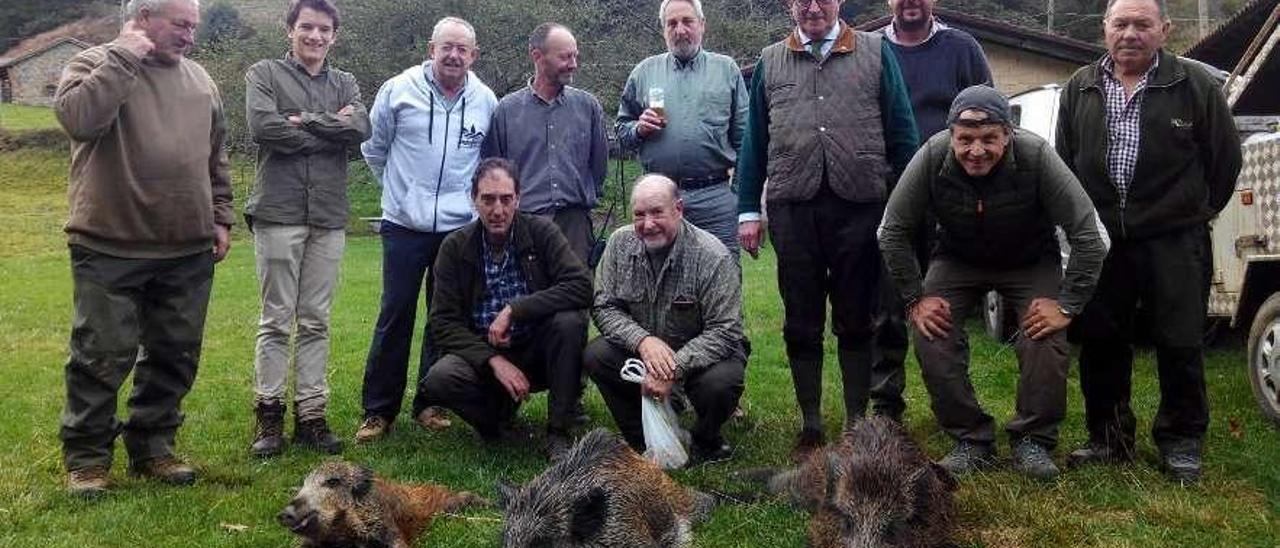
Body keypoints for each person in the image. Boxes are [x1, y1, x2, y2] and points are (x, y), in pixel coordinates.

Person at [878, 86, 1110, 480]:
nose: (976, 151)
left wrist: (1067, 305)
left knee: (1044, 335)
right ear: (951, 136)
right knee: (932, 333)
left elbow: (1092, 236)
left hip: (1029, 259)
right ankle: (971, 438)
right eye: (965, 140)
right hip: (957, 257)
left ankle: (1033, 439)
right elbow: (891, 231)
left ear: (1008, 134)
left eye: (989, 139)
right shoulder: (932, 155)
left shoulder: (1037, 156)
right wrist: (916, 298)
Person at [1056, 0, 1242, 483]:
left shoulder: (1195, 85)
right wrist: (1085, 226)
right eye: (1121, 24)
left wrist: (1193, 211)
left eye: (1143, 24)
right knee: (1101, 341)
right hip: (1101, 241)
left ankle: (1181, 443)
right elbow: (1065, 160)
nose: (1130, 34)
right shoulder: (1080, 87)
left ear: (1164, 30)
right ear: (1105, 30)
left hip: (1173, 239)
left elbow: (1224, 161)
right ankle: (1108, 439)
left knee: (1179, 340)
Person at [54, 0, 233, 496]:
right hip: (110, 241)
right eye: (180, 24)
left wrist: (221, 217)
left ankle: (153, 447)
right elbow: (79, 121)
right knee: (101, 354)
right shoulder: (94, 63)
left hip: (187, 246)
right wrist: (123, 56)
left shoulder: (200, 79)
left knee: (175, 354)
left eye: (193, 26)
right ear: (143, 16)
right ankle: (87, 459)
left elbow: (216, 155)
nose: (190, 36)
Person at [735, 0, 918, 461]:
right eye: (803, 0)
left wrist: (906, 205)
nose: (813, 7)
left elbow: (902, 131)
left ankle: (857, 423)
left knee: (858, 316)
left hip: (861, 205)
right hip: (793, 208)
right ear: (788, 5)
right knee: (801, 318)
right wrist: (747, 211)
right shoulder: (770, 58)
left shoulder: (877, 52)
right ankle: (811, 424)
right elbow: (756, 140)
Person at [356, 16, 498, 443]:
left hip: (458, 230)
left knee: (446, 317)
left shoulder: (486, 100)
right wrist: (402, 193)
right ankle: (378, 410)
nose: (454, 55)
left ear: (473, 56)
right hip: (404, 224)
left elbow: (486, 163)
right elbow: (374, 149)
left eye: (463, 49)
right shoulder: (398, 89)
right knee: (395, 314)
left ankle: (430, 402)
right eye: (446, 47)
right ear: (431, 49)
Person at [243, 0, 369, 458]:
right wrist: (327, 131)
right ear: (290, 30)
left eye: (323, 29)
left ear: (334, 35)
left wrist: (307, 120)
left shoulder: (346, 82)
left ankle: (311, 415)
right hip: (278, 210)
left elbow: (361, 127)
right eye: (306, 27)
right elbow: (263, 127)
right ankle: (269, 415)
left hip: (329, 214)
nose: (315, 36)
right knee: (276, 319)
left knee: (316, 319)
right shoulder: (264, 74)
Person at [419, 158, 593, 461]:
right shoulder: (453, 247)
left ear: (518, 198)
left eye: (506, 199)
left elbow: (582, 286)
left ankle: (559, 432)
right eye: (487, 199)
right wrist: (493, 360)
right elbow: (443, 322)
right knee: (440, 378)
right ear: (473, 199)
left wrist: (516, 309)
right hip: (486, 352)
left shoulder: (542, 232)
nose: (497, 210)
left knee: (570, 322)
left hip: (539, 349)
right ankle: (495, 421)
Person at [869, 0, 993, 422]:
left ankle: (956, 405)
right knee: (887, 307)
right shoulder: (870, 50)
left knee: (945, 305)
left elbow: (992, 118)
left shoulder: (962, 49)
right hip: (888, 197)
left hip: (948, 198)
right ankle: (886, 405)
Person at [587, 175, 746, 464]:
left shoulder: (712, 256)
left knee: (722, 383)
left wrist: (673, 367)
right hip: (644, 351)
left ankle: (705, 438)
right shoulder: (618, 245)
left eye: (657, 212)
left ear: (679, 209)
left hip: (701, 356)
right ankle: (641, 438)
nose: (648, 224)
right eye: (639, 214)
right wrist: (643, 341)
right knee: (597, 354)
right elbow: (603, 306)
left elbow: (726, 330)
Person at [615, 0, 748, 257]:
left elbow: (745, 140)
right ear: (663, 29)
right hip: (659, 200)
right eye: (671, 23)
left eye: (687, 21)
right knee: (659, 279)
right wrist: (638, 130)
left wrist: (739, 195)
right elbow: (621, 130)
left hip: (715, 199)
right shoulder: (644, 72)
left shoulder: (726, 69)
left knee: (723, 278)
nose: (680, 30)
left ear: (702, 25)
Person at [481, 22, 608, 264]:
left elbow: (598, 166)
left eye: (575, 56)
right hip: (524, 224)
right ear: (537, 56)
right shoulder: (506, 111)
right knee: (527, 297)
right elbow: (493, 170)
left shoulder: (588, 107)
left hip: (575, 226)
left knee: (575, 298)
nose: (573, 64)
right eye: (565, 57)